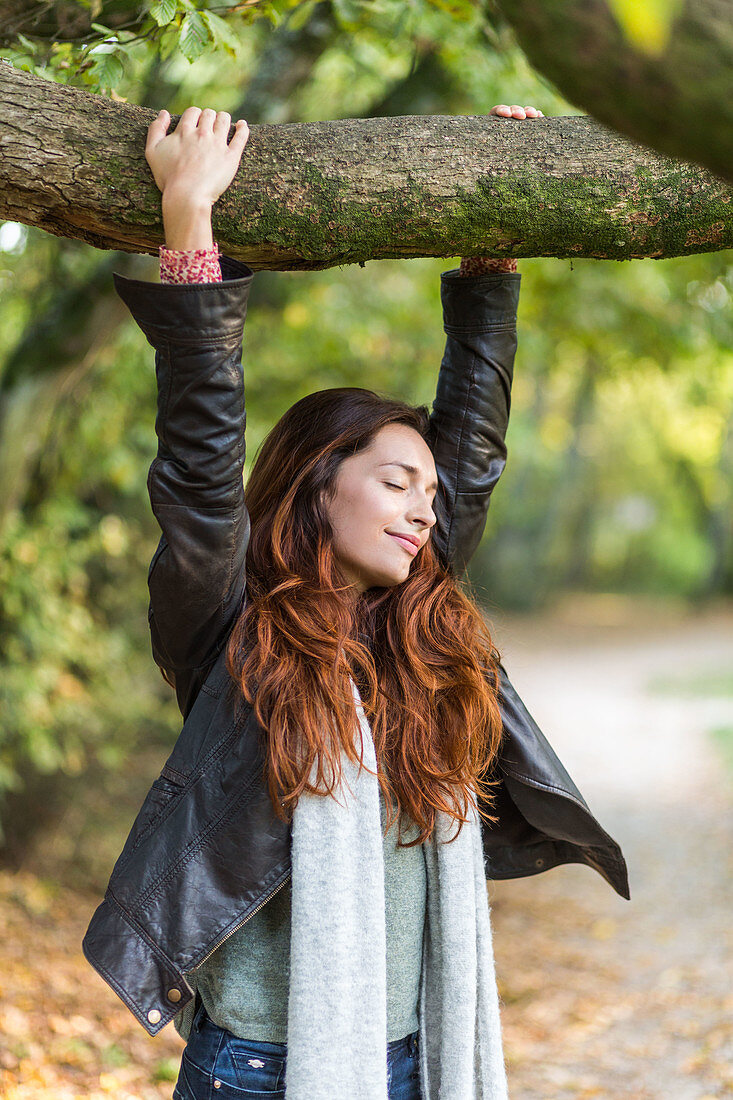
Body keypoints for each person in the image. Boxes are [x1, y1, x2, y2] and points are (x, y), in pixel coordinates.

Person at [82, 102, 629, 1100]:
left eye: (429, 494)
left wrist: (492, 236)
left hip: (417, 1057)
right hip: (258, 1067)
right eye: (393, 482)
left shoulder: (417, 634)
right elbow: (202, 473)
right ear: (317, 485)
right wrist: (188, 218)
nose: (423, 510)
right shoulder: (231, 630)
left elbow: (471, 449)